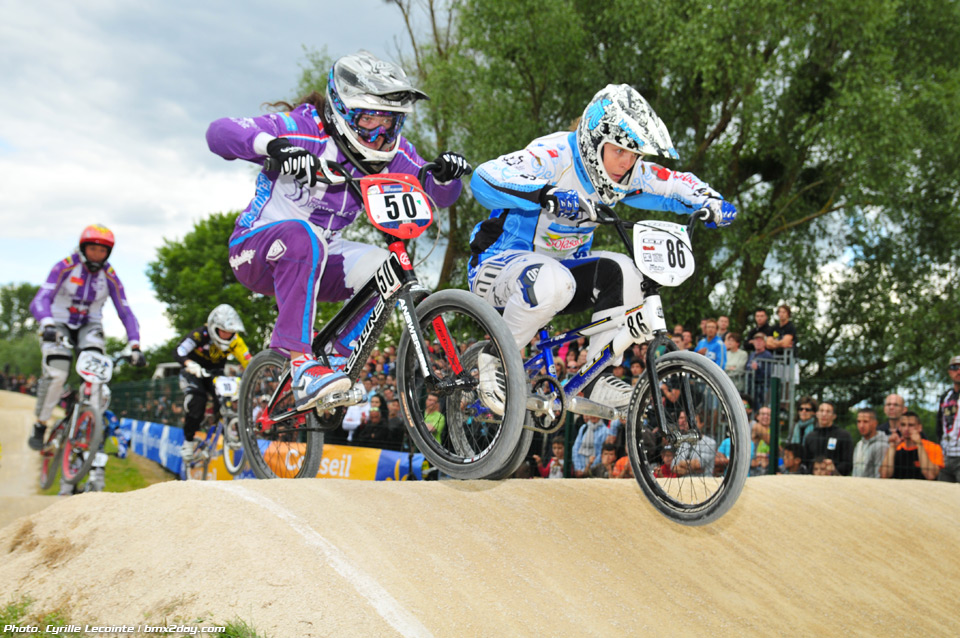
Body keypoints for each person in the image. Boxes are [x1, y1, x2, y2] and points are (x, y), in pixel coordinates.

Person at [207, 51, 469, 413]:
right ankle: (298, 361)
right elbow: (219, 132)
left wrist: (445, 175)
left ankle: (332, 357)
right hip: (255, 250)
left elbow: (441, 193)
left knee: (387, 267)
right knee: (305, 236)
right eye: (370, 120)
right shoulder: (304, 128)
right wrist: (275, 147)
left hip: (321, 257)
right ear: (342, 111)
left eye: (391, 124)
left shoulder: (393, 155)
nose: (380, 136)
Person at [467, 84, 736, 410]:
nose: (626, 163)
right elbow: (485, 177)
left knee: (625, 271)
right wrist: (544, 193)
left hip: (560, 276)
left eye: (634, 154)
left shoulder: (624, 173)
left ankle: (593, 376)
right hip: (498, 265)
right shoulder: (554, 155)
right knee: (553, 280)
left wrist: (710, 200)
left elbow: (671, 183)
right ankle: (493, 359)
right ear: (594, 142)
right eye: (619, 151)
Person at [28, 224, 147, 451]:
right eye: (93, 249)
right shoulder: (65, 266)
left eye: (103, 251)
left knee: (97, 376)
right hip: (58, 323)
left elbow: (125, 311)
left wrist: (135, 345)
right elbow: (40, 299)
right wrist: (47, 323)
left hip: (89, 325)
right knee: (58, 372)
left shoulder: (110, 276)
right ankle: (40, 423)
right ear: (84, 247)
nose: (97, 255)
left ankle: (89, 425)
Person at [173, 304, 252, 460]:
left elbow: (248, 361)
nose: (227, 335)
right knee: (197, 401)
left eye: (230, 332)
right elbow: (179, 351)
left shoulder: (236, 341)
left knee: (225, 400)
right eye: (223, 331)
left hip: (215, 374)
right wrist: (189, 364)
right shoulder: (199, 334)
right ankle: (188, 442)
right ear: (214, 328)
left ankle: (226, 434)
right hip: (193, 371)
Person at [881, 411, 943, 480]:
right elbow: (884, 475)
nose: (906, 429)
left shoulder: (933, 447)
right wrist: (892, 447)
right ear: (899, 428)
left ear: (919, 428)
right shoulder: (896, 448)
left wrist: (919, 444)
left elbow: (930, 475)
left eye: (911, 425)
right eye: (903, 425)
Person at [801, 401, 853, 476]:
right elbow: (805, 461)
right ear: (817, 414)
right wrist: (815, 470)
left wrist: (834, 469)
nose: (824, 414)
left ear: (834, 416)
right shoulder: (810, 437)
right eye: (821, 411)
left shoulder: (843, 436)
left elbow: (848, 463)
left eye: (828, 411)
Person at [936, 355, 960, 482]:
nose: (959, 371)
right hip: (946, 455)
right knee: (943, 496)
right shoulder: (946, 397)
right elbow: (939, 424)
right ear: (949, 371)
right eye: (955, 367)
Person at [851, 408, 887, 478]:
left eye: (865, 421)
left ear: (875, 423)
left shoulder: (882, 445)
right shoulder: (859, 444)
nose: (861, 425)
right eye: (859, 421)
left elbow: (879, 477)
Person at [746, 331, 774, 408]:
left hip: (762, 386)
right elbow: (747, 367)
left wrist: (758, 369)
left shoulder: (768, 355)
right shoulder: (752, 354)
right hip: (751, 385)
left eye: (760, 341)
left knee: (760, 406)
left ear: (764, 343)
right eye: (756, 341)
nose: (758, 343)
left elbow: (769, 372)